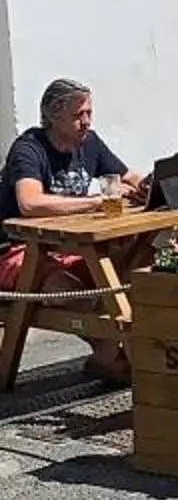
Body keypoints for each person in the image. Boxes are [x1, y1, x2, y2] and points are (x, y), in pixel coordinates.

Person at [0, 78, 145, 379]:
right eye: (79, 115)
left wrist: (148, 188)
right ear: (53, 116)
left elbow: (128, 176)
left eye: (89, 113)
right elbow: (30, 203)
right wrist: (94, 203)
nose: (87, 122)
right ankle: (109, 352)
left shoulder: (89, 143)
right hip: (18, 253)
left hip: (68, 246)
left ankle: (125, 349)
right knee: (62, 285)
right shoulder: (29, 148)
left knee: (142, 258)